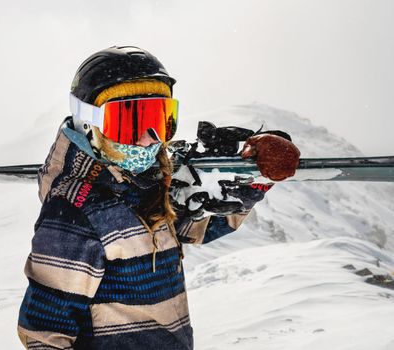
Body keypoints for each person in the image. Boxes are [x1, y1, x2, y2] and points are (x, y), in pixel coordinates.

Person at [17, 46, 300, 350]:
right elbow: (44, 336)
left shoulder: (147, 185)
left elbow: (200, 228)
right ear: (89, 123)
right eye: (128, 123)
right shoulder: (76, 211)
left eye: (160, 120)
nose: (148, 138)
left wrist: (246, 178)